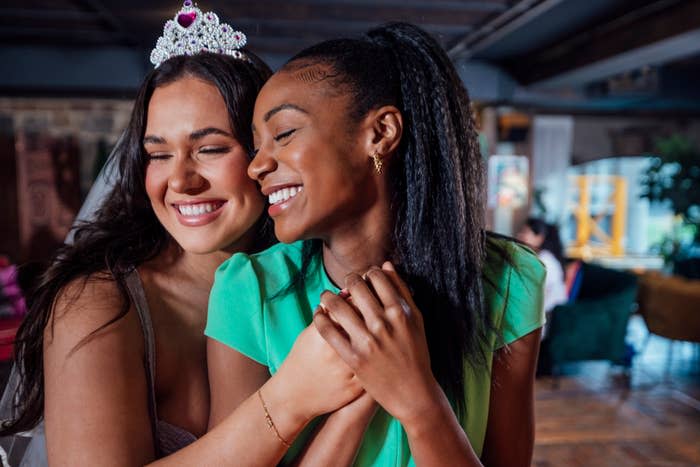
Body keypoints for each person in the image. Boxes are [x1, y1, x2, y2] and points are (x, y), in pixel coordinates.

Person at [0, 3, 366, 466]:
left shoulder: (312, 277)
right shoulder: (99, 306)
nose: (181, 181)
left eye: (210, 149)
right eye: (158, 155)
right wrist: (290, 398)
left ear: (265, 154)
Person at [206, 22, 545, 466]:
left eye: (284, 134)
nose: (257, 167)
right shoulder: (249, 290)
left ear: (381, 132)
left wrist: (418, 399)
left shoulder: (509, 279)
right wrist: (358, 389)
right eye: (255, 147)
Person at [517, 217, 568, 315]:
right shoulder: (544, 257)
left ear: (539, 238)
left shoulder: (544, 260)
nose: (519, 236)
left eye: (525, 232)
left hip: (545, 318)